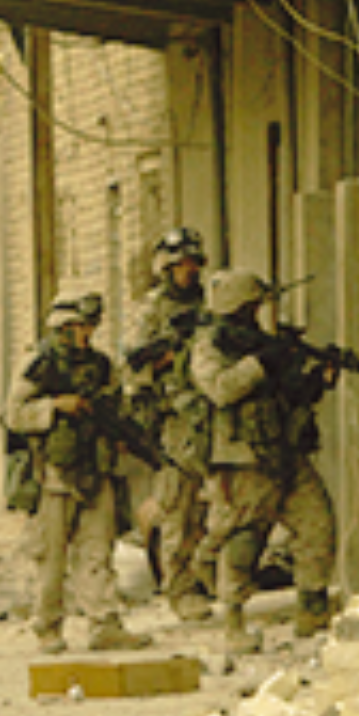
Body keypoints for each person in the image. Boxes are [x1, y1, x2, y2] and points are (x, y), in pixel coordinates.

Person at [189, 269, 340, 655]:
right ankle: (233, 621)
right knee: (244, 537)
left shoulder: (264, 343)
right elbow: (220, 390)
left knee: (316, 522)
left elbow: (290, 395)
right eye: (251, 307)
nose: (257, 314)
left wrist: (316, 380)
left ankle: (313, 610)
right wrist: (260, 363)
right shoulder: (210, 345)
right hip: (242, 456)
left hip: (283, 450)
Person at [6, 295, 154, 654]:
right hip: (54, 476)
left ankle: (104, 623)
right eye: (73, 329)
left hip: (96, 469)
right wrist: (55, 407)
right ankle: (48, 627)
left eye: (86, 328)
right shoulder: (38, 366)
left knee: (97, 551)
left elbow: (116, 406)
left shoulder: (102, 366)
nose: (82, 335)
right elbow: (13, 414)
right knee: (51, 556)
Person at [123, 226, 215, 621]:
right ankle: (180, 587)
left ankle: (212, 576)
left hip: (212, 409)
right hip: (176, 418)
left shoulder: (212, 302)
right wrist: (167, 361)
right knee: (178, 505)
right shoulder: (153, 311)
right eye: (180, 265)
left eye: (193, 264)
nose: (188, 271)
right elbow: (134, 365)